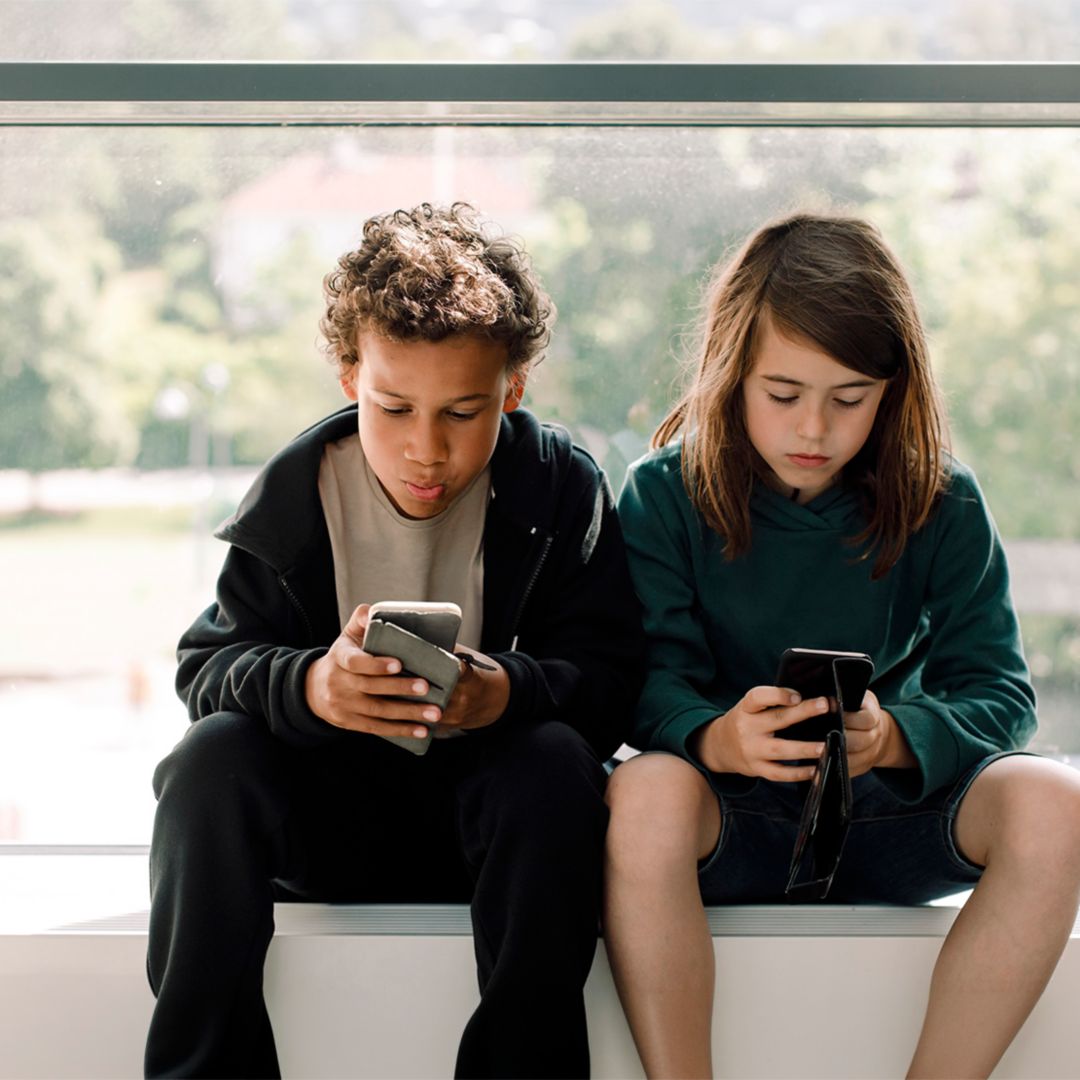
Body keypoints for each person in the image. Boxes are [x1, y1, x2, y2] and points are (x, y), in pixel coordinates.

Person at [144, 202, 644, 1079]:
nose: (427, 449)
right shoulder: (297, 492)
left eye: (463, 412)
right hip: (328, 824)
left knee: (554, 765)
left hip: (492, 831)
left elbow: (613, 678)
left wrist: (510, 691)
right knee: (207, 761)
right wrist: (310, 688)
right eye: (394, 407)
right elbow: (206, 669)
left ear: (513, 391)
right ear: (349, 376)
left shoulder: (559, 485)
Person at [604, 213, 1080, 1079]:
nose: (813, 429)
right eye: (782, 395)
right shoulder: (662, 494)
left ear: (893, 391)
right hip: (731, 819)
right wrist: (718, 735)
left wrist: (896, 737)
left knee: (1055, 799)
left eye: (849, 398)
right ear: (730, 375)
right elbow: (636, 682)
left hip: (884, 819)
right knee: (643, 795)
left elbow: (1000, 693)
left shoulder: (942, 498)